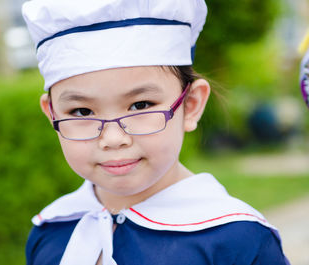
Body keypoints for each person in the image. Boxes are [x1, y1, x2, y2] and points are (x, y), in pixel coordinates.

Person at [22, 0, 290, 264]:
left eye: (141, 105)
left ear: (191, 105)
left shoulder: (237, 238)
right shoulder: (50, 231)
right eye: (82, 112)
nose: (114, 139)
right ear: (52, 113)